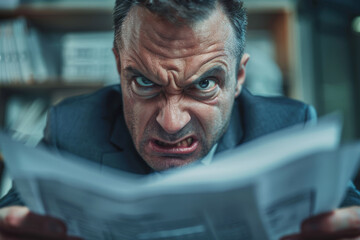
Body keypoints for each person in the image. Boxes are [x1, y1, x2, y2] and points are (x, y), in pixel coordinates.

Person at [0, 0, 360, 239]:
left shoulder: (289, 130)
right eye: (144, 82)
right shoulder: (71, 129)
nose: (171, 123)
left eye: (204, 83)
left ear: (238, 78)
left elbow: (348, 216)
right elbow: (14, 217)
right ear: (118, 66)